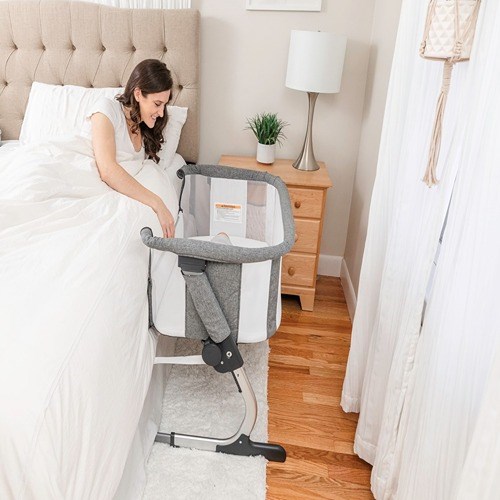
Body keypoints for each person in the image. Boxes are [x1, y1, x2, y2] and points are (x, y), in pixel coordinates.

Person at [88, 59, 176, 238]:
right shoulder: (107, 110)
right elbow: (107, 170)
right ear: (138, 94)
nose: (161, 113)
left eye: (164, 105)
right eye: (157, 104)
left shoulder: (144, 133)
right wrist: (157, 203)